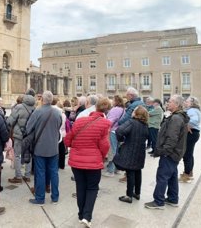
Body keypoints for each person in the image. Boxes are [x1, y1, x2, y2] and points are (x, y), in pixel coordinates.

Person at [64, 97, 111, 228]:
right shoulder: (105, 124)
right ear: (106, 111)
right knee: (92, 188)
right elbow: (105, 145)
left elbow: (67, 140)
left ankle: (81, 214)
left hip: (76, 161)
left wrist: (77, 146)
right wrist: (100, 156)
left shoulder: (80, 121)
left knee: (80, 186)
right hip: (93, 162)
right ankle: (87, 216)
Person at [145, 95, 189, 209]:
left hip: (170, 153)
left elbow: (172, 138)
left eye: (169, 102)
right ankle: (173, 199)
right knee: (172, 175)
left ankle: (158, 201)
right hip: (175, 152)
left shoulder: (176, 118)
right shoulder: (176, 116)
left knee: (162, 176)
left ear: (177, 104)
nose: (167, 103)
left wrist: (165, 151)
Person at [26, 90, 62, 205]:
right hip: (53, 147)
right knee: (54, 173)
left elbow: (28, 128)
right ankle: (55, 197)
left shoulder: (38, 111)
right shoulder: (57, 112)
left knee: (40, 172)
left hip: (40, 147)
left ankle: (40, 198)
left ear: (42, 100)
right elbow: (59, 126)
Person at [113, 106, 149, 203]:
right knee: (137, 171)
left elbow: (119, 130)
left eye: (134, 111)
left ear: (136, 113)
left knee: (130, 172)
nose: (132, 112)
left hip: (130, 150)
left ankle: (129, 195)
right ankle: (137, 193)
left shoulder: (132, 122)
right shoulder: (145, 125)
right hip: (140, 151)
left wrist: (121, 140)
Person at [7, 92, 35, 183]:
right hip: (29, 135)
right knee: (28, 154)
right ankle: (27, 176)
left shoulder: (19, 107)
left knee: (17, 155)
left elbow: (10, 121)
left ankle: (18, 176)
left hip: (19, 134)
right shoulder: (34, 109)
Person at [179, 96, 201, 183]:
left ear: (192, 103)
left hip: (191, 133)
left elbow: (194, 120)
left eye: (187, 101)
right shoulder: (193, 110)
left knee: (187, 154)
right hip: (194, 133)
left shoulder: (192, 110)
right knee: (189, 154)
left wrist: (187, 125)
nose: (185, 102)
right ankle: (189, 172)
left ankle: (186, 175)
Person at [103, 95, 125, 177]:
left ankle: (110, 170)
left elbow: (110, 121)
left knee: (112, 150)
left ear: (116, 101)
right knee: (118, 150)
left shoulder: (115, 109)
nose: (112, 101)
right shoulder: (123, 109)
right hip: (119, 131)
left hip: (112, 131)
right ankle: (117, 169)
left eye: (113, 100)